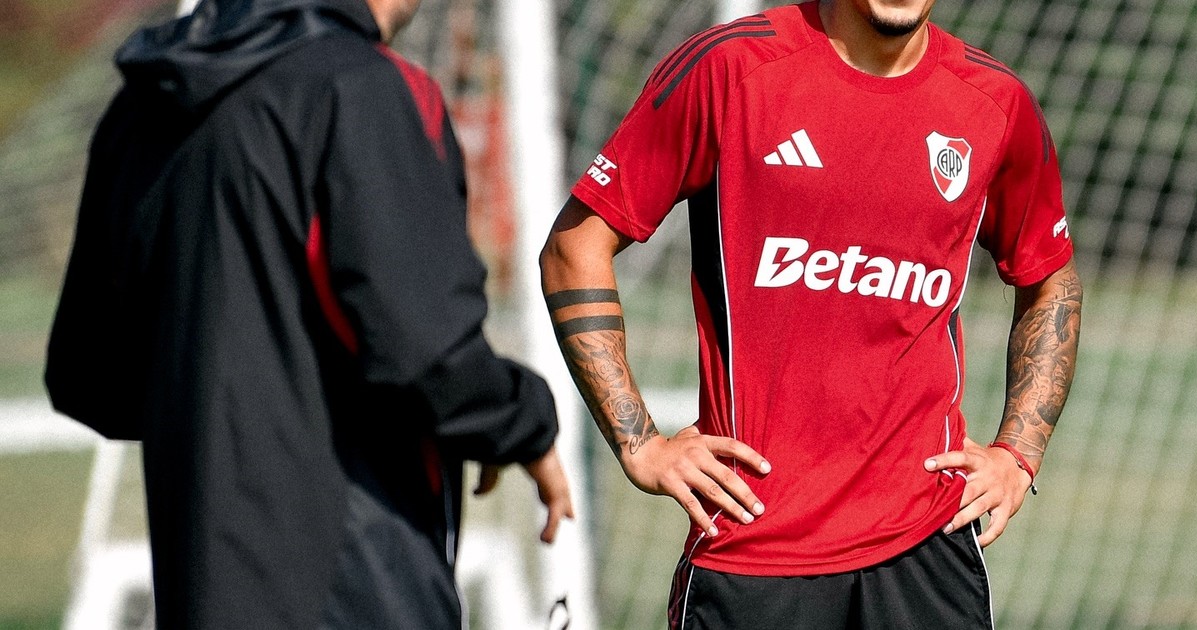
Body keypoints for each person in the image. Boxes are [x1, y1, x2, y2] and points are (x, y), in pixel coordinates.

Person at [541, 1, 1082, 627]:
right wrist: (641, 445)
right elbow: (573, 250)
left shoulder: (995, 103)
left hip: (928, 550)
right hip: (751, 551)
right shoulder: (729, 70)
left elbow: (1051, 280)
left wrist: (1018, 452)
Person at [44, 0, 572, 628]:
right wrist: (522, 423)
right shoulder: (360, 87)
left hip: (200, 587)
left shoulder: (140, 106)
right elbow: (426, 351)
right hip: (354, 584)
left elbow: (86, 378)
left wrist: (222, 428)